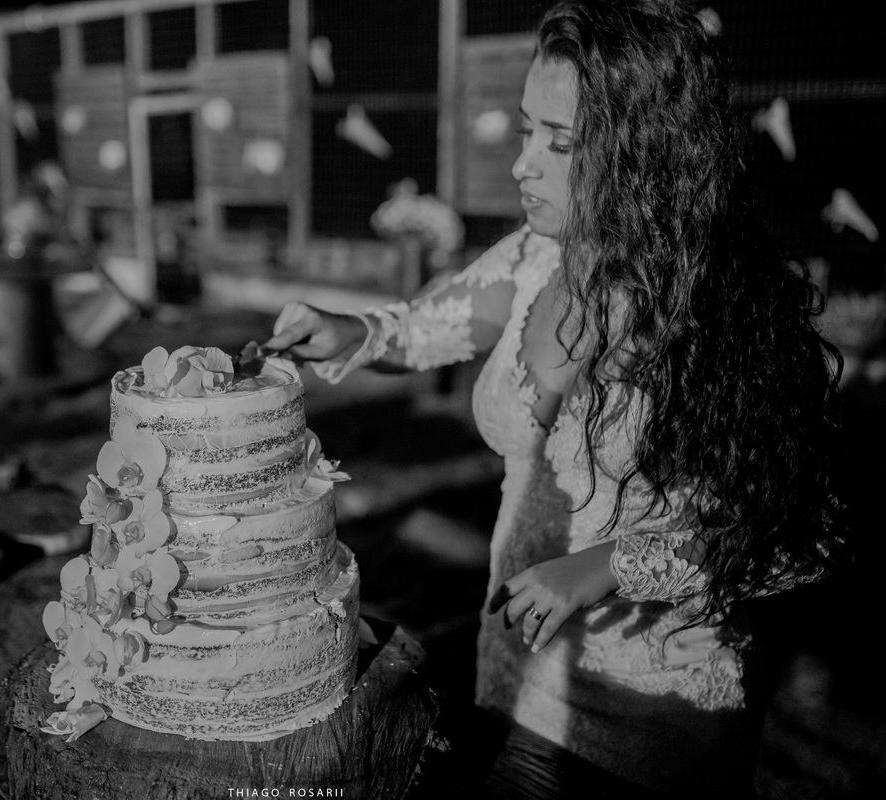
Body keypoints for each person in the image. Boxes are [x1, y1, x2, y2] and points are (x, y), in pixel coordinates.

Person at [262, 0, 846, 795]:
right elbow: (426, 327)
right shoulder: (537, 258)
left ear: (645, 155)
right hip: (515, 670)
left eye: (559, 141)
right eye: (526, 129)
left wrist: (609, 564)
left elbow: (790, 530)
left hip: (656, 708)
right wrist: (348, 330)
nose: (522, 163)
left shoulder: (721, 314)